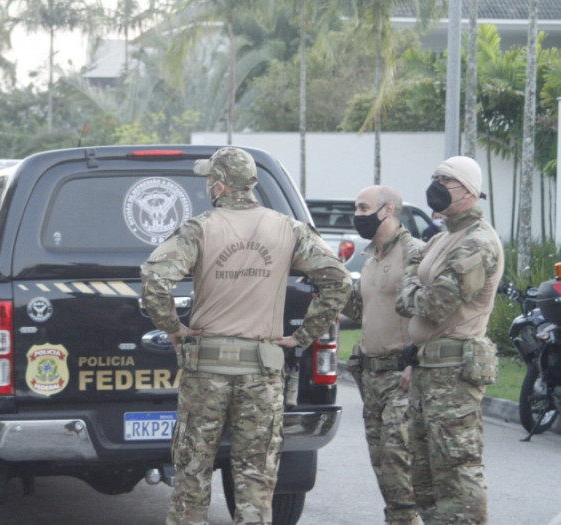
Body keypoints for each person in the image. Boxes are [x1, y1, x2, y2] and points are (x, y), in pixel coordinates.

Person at [140, 147, 351, 525]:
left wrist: (174, 328)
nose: (207, 185)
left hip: (206, 370)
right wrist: (304, 335)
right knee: (255, 477)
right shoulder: (288, 228)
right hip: (262, 372)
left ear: (219, 186)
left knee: (192, 472)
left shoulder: (201, 227)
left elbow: (154, 278)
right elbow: (338, 279)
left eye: (209, 179)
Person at [396, 156, 504, 525]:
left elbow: (434, 305)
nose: (437, 186)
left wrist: (409, 284)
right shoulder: (443, 238)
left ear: (469, 191)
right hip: (428, 368)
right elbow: (410, 297)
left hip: (454, 371)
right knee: (424, 476)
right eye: (435, 178)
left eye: (446, 180)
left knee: (456, 469)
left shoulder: (477, 242)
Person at [343, 186, 424, 525]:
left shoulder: (414, 252)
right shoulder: (369, 255)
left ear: (388, 209)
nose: (358, 214)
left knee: (397, 458)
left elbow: (428, 309)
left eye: (364, 207)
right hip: (371, 374)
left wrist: (416, 361)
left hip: (401, 374)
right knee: (382, 461)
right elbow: (361, 310)